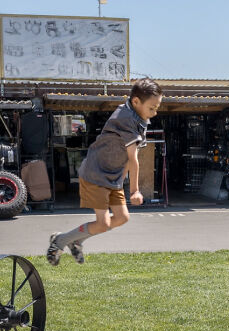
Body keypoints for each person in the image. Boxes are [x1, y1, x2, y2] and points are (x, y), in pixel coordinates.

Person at [46, 78, 163, 265]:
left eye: (157, 108)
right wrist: (134, 190)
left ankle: (76, 240)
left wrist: (120, 180)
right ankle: (60, 240)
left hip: (112, 176)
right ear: (136, 102)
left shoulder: (140, 118)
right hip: (96, 173)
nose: (154, 113)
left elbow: (128, 156)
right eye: (152, 108)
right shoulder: (126, 118)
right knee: (103, 223)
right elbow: (133, 158)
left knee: (122, 217)